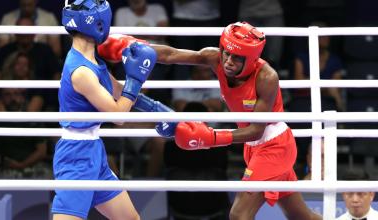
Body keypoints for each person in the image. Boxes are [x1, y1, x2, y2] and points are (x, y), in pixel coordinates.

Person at [97, 21, 322, 219]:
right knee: (300, 216)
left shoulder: (266, 78)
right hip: (254, 147)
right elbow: (172, 55)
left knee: (239, 214)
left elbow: (256, 130)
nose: (228, 61)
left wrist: (212, 137)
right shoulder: (214, 58)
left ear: (252, 59)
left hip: (273, 145)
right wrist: (132, 46)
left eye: (237, 57)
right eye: (227, 53)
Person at [53, 0, 174, 219]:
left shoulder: (92, 60)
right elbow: (118, 116)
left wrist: (158, 111)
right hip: (75, 156)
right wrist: (135, 79)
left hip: (93, 151)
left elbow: (118, 90)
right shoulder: (81, 72)